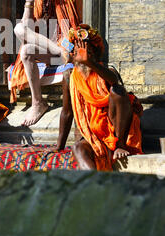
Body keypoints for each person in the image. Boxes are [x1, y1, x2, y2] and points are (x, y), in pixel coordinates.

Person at [11, 0, 83, 126]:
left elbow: (80, 26)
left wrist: (68, 46)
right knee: (23, 43)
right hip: (52, 51)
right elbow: (25, 29)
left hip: (70, 46)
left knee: (21, 35)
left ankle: (63, 52)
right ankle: (38, 103)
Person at [56, 24, 143, 171]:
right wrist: (59, 147)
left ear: (95, 55)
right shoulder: (69, 77)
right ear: (72, 54)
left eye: (88, 52)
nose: (82, 56)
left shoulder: (106, 71)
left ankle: (120, 145)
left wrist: (90, 63)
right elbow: (67, 112)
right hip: (91, 135)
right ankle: (95, 183)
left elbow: (114, 81)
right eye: (78, 51)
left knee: (118, 90)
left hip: (115, 131)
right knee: (78, 148)